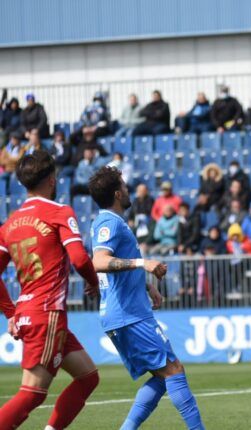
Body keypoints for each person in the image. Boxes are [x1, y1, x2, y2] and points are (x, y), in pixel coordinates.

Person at [87, 166, 205, 429]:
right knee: (174, 371)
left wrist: (145, 286)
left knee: (165, 376)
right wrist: (143, 263)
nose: (129, 190)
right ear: (118, 193)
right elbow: (100, 261)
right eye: (125, 187)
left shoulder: (110, 222)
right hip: (128, 315)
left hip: (126, 312)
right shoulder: (109, 222)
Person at [0, 150, 100, 429]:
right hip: (47, 314)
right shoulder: (59, 212)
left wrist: (11, 312)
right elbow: (79, 259)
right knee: (31, 394)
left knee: (88, 377)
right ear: (53, 180)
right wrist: (94, 282)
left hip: (32, 312)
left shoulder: (9, 224)